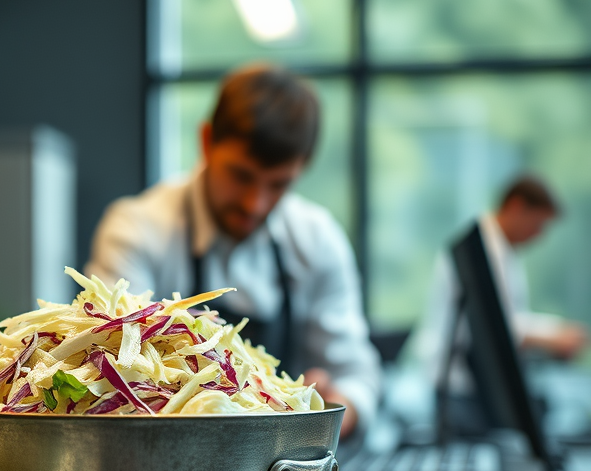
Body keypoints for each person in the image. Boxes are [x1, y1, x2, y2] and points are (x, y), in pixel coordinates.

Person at [86, 64, 380, 435]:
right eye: (241, 175)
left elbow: (358, 376)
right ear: (207, 141)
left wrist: (334, 406)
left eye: (278, 185)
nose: (254, 204)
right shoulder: (137, 229)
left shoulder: (317, 239)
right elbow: (115, 366)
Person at [418, 175, 588, 399]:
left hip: (476, 379)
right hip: (463, 383)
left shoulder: (500, 249)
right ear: (516, 206)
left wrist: (556, 331)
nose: (539, 236)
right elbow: (495, 326)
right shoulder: (483, 252)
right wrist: (552, 338)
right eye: (537, 224)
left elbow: (509, 316)